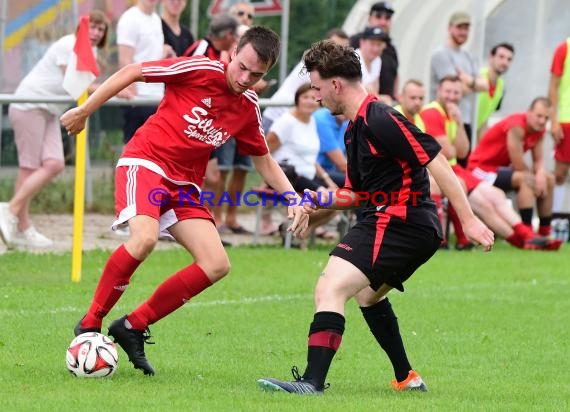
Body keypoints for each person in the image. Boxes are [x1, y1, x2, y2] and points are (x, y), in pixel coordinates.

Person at [61, 26, 309, 376]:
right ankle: (90, 323)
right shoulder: (199, 69)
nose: (245, 78)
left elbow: (264, 160)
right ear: (234, 51)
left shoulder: (247, 105)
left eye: (256, 75)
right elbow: (134, 71)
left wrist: (293, 199)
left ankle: (132, 326)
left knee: (217, 263)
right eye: (242, 67)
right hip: (146, 163)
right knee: (144, 238)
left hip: (184, 187)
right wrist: (85, 110)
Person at [257, 40, 494, 395]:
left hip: (400, 221)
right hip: (403, 223)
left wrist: (469, 219)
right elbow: (354, 193)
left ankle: (311, 383)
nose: (318, 97)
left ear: (336, 85)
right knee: (368, 296)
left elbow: (438, 160)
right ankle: (407, 378)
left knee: (330, 287)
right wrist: (314, 200)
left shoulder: (380, 117)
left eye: (319, 88)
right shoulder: (355, 128)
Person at [0, 11, 110, 249]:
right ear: (82, 27)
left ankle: (13, 214)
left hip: (50, 110)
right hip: (29, 105)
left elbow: (79, 87)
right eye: (92, 27)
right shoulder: (68, 44)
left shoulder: (92, 52)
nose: (96, 33)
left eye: (101, 30)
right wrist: (115, 88)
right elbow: (73, 84)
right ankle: (19, 223)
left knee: (55, 163)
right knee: (29, 168)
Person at [421, 78, 560, 250]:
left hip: (456, 168)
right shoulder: (432, 112)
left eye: (456, 92)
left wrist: (458, 123)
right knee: (513, 188)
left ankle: (531, 237)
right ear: (438, 91)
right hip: (475, 168)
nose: (452, 96)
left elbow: (462, 151)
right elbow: (450, 152)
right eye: (448, 92)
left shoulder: (451, 114)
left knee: (498, 197)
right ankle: (527, 236)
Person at [467, 98, 557, 237]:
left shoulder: (539, 130)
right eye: (539, 116)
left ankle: (545, 232)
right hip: (479, 169)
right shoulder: (516, 125)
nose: (542, 121)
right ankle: (528, 234)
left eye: (546, 118)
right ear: (529, 112)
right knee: (526, 179)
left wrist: (540, 174)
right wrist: (535, 178)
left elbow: (538, 159)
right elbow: (518, 163)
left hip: (499, 170)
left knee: (548, 179)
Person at [266, 83, 339, 243]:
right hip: (289, 177)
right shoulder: (286, 122)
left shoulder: (311, 121)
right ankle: (295, 231)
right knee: (329, 199)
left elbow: (311, 160)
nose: (309, 101)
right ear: (297, 99)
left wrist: (328, 180)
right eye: (305, 97)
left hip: (308, 177)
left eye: (313, 98)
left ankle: (298, 231)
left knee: (338, 199)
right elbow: (265, 151)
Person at [262, 28, 349, 133]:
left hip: (293, 118)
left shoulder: (326, 66)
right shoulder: (316, 64)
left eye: (342, 48)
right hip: (277, 117)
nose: (338, 51)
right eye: (334, 46)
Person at [430, 11, 488, 164]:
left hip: (464, 119)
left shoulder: (468, 56)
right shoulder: (441, 54)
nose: (463, 32)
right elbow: (454, 88)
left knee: (462, 163)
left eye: (466, 28)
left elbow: (485, 85)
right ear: (450, 28)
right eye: (459, 27)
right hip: (444, 119)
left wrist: (468, 80)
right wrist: (472, 83)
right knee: (445, 163)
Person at [117, 0, 167, 144]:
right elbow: (124, 60)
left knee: (155, 152)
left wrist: (165, 52)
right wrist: (131, 93)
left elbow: (150, 54)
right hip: (139, 98)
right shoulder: (130, 19)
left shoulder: (156, 19)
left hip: (157, 96)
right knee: (132, 150)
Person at [350, 1, 399, 104]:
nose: (383, 22)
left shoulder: (391, 48)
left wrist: (395, 97)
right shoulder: (353, 42)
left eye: (387, 18)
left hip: (380, 106)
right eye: (378, 16)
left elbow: (396, 74)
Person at [548, 37, 570, 226]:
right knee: (561, 172)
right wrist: (553, 120)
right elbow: (553, 86)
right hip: (566, 119)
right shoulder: (564, 47)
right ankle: (553, 220)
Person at [476, 42, 515, 137]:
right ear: (491, 57)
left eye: (509, 59)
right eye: (501, 57)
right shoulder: (477, 77)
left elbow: (484, 120)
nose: (505, 62)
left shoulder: (501, 87)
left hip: (473, 136)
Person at [314, 107, 348, 188]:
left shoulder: (345, 121)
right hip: (319, 172)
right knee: (362, 181)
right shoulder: (321, 119)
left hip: (332, 170)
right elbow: (342, 165)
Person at [355, 27, 388, 99]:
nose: (376, 49)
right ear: (362, 42)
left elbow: (375, 88)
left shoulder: (377, 60)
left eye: (379, 44)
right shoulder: (353, 59)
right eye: (372, 44)